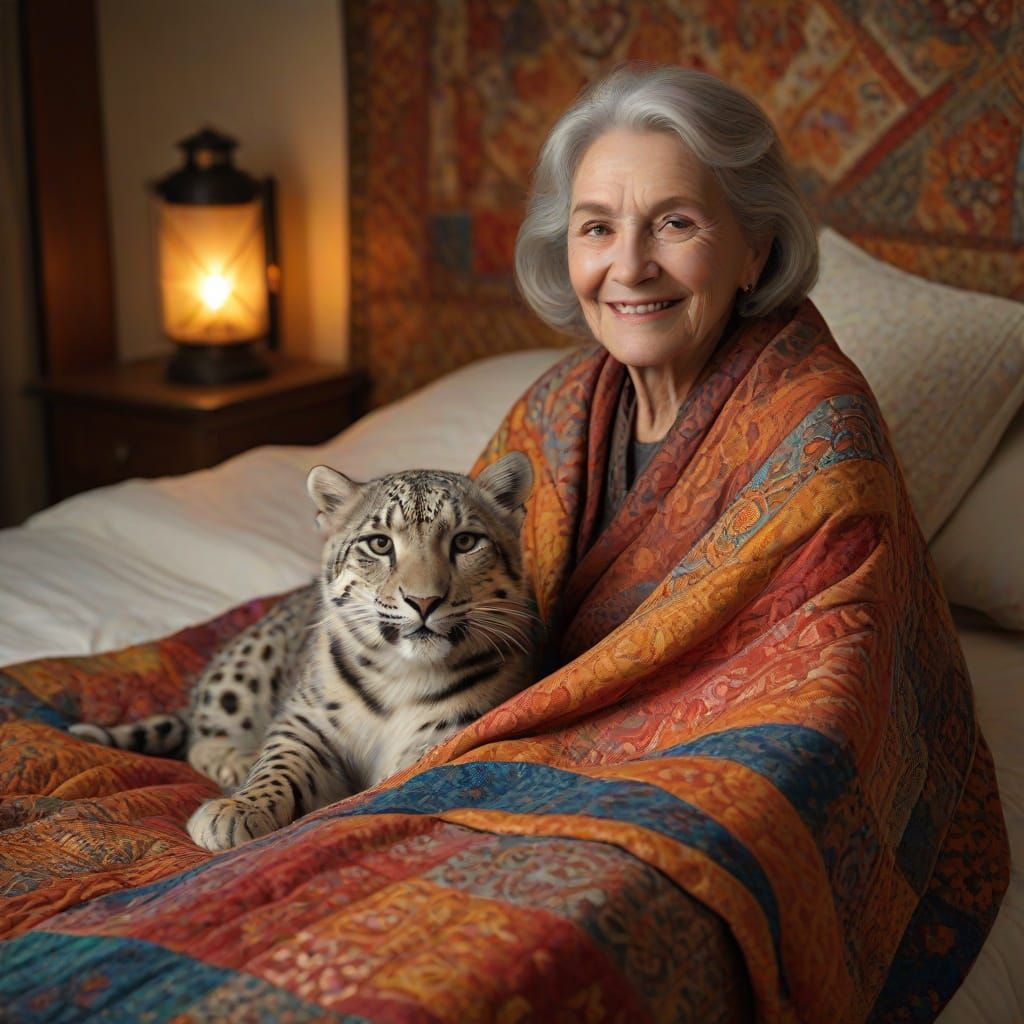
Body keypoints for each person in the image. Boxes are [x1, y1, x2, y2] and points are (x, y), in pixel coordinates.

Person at [463, 64, 1010, 1022]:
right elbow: (460, 606)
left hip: (693, 786)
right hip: (525, 751)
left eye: (675, 223)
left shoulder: (817, 423)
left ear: (754, 247)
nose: (628, 266)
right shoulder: (558, 406)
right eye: (598, 227)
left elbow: (830, 700)